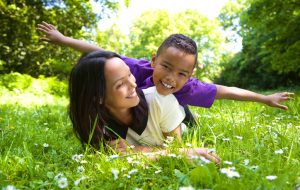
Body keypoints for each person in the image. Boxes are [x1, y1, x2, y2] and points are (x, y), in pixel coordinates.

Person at [37, 22, 294, 117]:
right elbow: (99, 52)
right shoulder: (136, 69)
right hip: (141, 113)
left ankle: (185, 118)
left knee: (177, 110)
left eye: (182, 73)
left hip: (172, 115)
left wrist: (264, 98)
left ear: (190, 76)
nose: (171, 77)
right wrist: (62, 40)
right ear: (153, 61)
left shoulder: (190, 88)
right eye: (166, 67)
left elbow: (227, 91)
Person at [69, 50, 220, 163]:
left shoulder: (160, 99)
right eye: (121, 84)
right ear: (98, 97)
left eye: (129, 74)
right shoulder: (96, 122)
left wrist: (135, 151)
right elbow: (116, 158)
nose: (133, 84)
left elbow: (176, 149)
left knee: (181, 115)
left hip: (181, 119)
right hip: (159, 118)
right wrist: (176, 153)